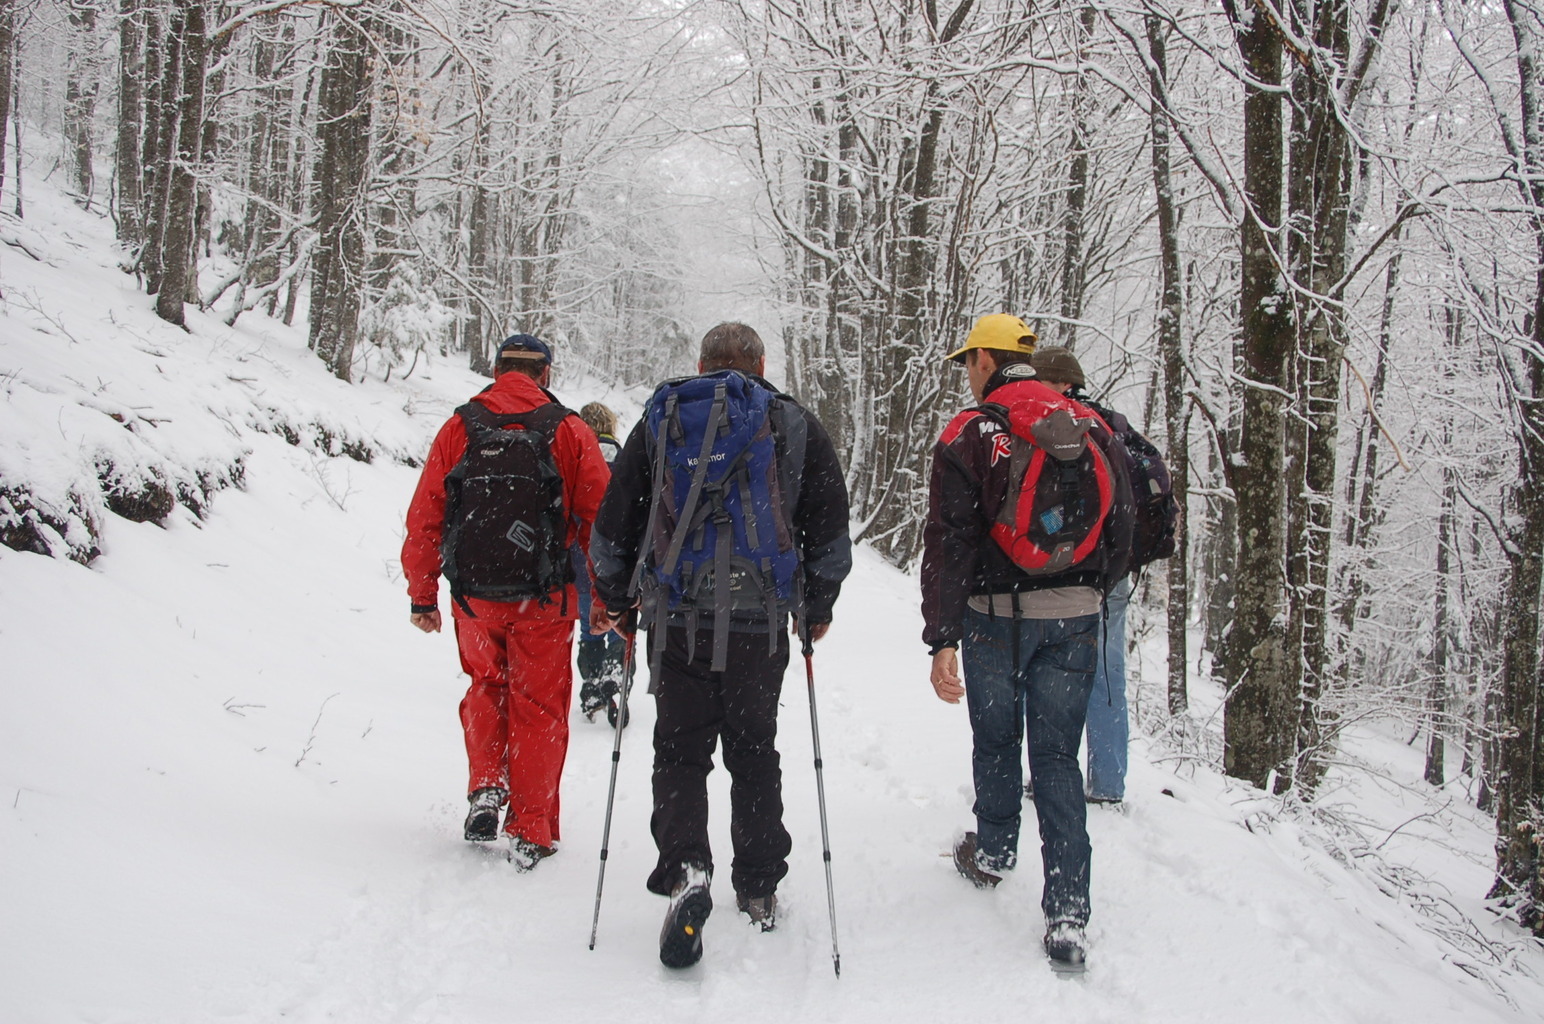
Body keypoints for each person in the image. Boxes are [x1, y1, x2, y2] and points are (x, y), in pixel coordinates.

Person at [589, 322, 852, 968]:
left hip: (679, 619)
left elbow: (616, 521)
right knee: (754, 748)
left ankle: (686, 870)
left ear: (701, 363)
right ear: (760, 364)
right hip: (759, 624)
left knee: (680, 750)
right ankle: (758, 884)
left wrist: (617, 598)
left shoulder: (664, 418)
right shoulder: (794, 424)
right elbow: (828, 525)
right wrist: (817, 605)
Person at [921, 314, 1133, 971]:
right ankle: (1067, 913)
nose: (967, 372)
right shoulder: (1089, 424)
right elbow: (1125, 519)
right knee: (1059, 757)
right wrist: (1091, 587)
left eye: (968, 360)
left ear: (985, 360)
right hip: (1077, 615)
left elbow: (949, 541)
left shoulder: (970, 432)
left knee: (996, 737)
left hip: (994, 617)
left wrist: (942, 636)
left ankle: (993, 851)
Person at [402, 334, 610, 870]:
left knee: (485, 689)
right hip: (544, 601)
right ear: (546, 373)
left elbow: (426, 515)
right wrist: (607, 596)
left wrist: (423, 594)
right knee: (539, 708)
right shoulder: (569, 430)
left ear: (496, 371)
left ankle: (487, 787)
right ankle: (531, 827)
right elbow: (600, 521)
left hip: (474, 599)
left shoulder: (459, 428)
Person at [1030, 347, 1132, 806]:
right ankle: (1107, 782)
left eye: (1040, 381)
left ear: (1063, 385)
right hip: (1111, 571)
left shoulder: (1069, 430)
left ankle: (1057, 775)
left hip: (1081, 574)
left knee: (1057, 678)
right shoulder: (1112, 428)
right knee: (1106, 675)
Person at [572, 401, 628, 724]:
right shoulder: (626, 458)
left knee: (589, 628)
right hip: (619, 561)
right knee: (619, 627)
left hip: (583, 558)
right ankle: (616, 679)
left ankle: (591, 687)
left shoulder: (576, 458)